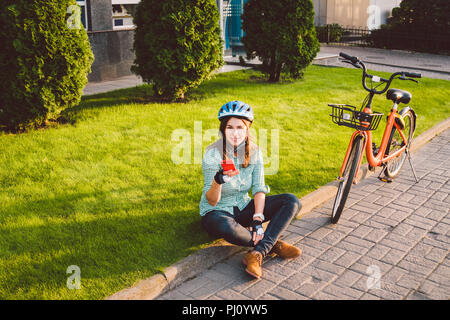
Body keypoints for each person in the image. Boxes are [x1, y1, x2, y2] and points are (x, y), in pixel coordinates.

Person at [199, 100, 302, 279]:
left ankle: (257, 253)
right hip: (217, 212)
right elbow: (212, 200)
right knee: (227, 227)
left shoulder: (255, 152)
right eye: (230, 127)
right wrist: (218, 180)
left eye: (240, 127)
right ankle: (272, 244)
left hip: (244, 206)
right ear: (223, 128)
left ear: (248, 128)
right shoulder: (212, 154)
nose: (235, 132)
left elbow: (259, 189)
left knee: (291, 201)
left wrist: (257, 218)